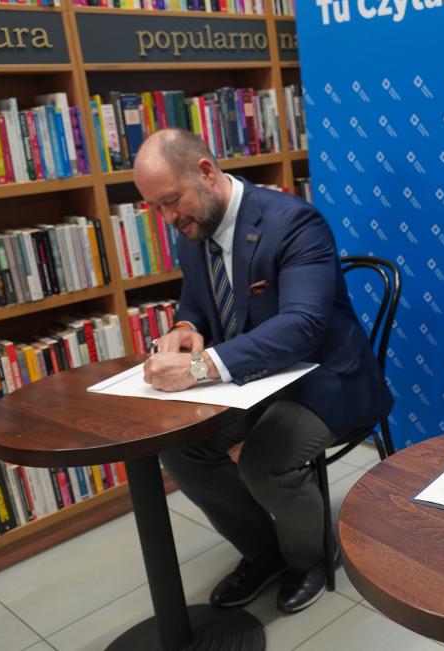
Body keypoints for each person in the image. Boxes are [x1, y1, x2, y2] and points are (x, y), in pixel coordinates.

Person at [135, 128, 393, 613]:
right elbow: (196, 300)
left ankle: (311, 558)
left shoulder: (294, 222)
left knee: (264, 460)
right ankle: (265, 551)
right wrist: (185, 327)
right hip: (254, 378)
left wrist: (200, 364)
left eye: (171, 201)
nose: (169, 218)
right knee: (182, 448)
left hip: (326, 378)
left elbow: (303, 327)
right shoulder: (195, 231)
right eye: (157, 208)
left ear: (206, 173)